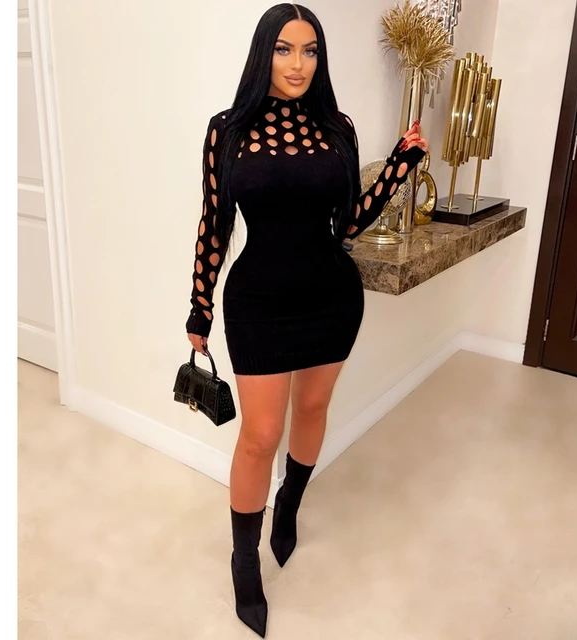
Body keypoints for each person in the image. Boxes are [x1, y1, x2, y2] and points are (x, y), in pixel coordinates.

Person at [185, 3, 428, 637]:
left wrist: (399, 165)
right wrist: (199, 305)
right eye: (285, 49)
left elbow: (348, 224)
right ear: (263, 52)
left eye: (310, 50)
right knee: (259, 435)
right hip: (258, 302)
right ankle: (244, 559)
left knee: (313, 409)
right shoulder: (226, 131)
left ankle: (290, 499)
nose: (298, 64)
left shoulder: (336, 127)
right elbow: (215, 224)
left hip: (331, 296)